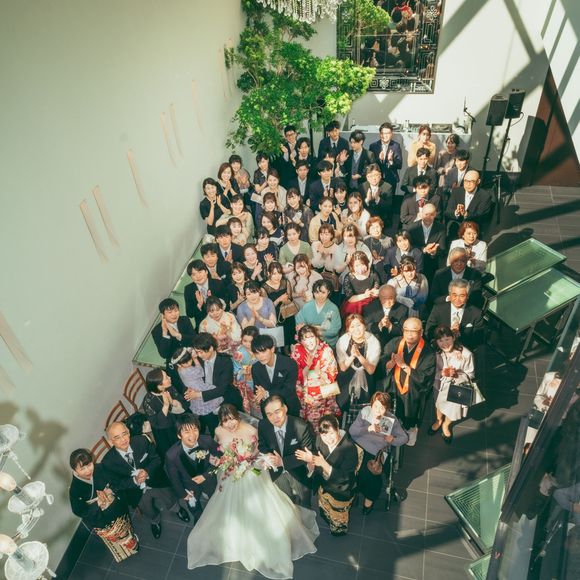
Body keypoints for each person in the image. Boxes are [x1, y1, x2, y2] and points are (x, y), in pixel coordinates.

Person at [187, 403, 319, 578]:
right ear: (221, 422)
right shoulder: (218, 431)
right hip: (230, 472)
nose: (230, 424)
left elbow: (259, 450)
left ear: (238, 417)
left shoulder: (250, 429)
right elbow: (218, 450)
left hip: (251, 470)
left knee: (261, 504)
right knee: (229, 506)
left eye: (232, 419)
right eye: (226, 421)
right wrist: (223, 460)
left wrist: (247, 460)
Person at [102, 422, 189, 539]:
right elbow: (115, 484)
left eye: (124, 434)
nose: (123, 440)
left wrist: (147, 471)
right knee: (147, 509)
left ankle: (177, 509)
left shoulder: (142, 441)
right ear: (110, 441)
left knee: (168, 496)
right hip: (135, 491)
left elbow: (157, 459)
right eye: (117, 438)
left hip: (154, 480)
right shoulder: (108, 462)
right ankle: (155, 521)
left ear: (129, 432)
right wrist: (134, 481)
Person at [295, 414, 361, 536]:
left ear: (338, 429)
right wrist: (310, 461)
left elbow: (345, 477)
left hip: (341, 488)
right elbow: (315, 458)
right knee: (325, 511)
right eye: (324, 435)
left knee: (338, 524)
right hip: (324, 484)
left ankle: (339, 528)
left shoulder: (349, 448)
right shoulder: (319, 440)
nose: (328, 439)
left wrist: (324, 464)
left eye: (331, 433)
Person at [69, 448, 139, 562]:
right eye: (82, 468)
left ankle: (133, 543)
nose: (88, 471)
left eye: (89, 465)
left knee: (126, 529)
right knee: (115, 539)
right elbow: (78, 510)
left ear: (92, 461)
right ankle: (124, 551)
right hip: (100, 518)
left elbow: (117, 481)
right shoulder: (75, 489)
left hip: (117, 508)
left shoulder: (101, 468)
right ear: (75, 470)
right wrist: (97, 503)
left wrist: (111, 489)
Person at [349, 392, 408, 513]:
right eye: (376, 406)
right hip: (358, 446)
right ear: (372, 404)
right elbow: (352, 431)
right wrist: (368, 428)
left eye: (382, 407)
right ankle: (354, 490)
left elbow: (404, 438)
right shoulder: (365, 412)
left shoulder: (391, 419)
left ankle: (369, 498)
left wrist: (393, 439)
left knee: (370, 474)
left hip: (376, 451)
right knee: (349, 467)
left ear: (387, 409)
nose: (378, 410)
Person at [382, 317, 436, 446]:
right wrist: (390, 364)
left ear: (421, 332)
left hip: (413, 391)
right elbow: (382, 361)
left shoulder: (428, 351)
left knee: (410, 415)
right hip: (393, 386)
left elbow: (425, 377)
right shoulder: (394, 343)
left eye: (414, 331)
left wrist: (403, 365)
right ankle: (387, 432)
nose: (410, 334)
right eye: (406, 330)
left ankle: (410, 431)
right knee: (389, 411)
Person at [258, 395, 316, 507]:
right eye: (269, 414)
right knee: (285, 504)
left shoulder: (301, 426)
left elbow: (307, 453)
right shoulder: (263, 425)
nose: (274, 417)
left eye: (277, 412)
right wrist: (268, 455)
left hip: (298, 472)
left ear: (285, 408)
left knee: (304, 505)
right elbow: (262, 445)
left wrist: (283, 462)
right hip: (277, 473)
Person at [164, 413, 221, 521]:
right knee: (194, 507)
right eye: (187, 432)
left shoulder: (207, 441)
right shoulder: (171, 455)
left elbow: (221, 458)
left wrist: (206, 476)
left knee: (216, 500)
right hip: (189, 486)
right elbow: (174, 478)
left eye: (195, 430)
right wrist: (183, 494)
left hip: (209, 480)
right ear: (179, 435)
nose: (192, 435)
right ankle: (199, 520)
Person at [429, 325, 475, 443]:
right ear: (436, 341)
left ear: (453, 338)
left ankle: (446, 424)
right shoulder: (435, 352)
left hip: (456, 388)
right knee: (438, 404)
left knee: (452, 410)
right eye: (440, 340)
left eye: (447, 339)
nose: (445, 344)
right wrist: (442, 373)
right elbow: (429, 371)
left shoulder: (466, 354)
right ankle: (439, 420)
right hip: (439, 386)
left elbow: (471, 374)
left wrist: (456, 375)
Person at [291, 325, 340, 432]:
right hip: (305, 388)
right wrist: (308, 367)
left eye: (311, 337)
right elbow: (294, 373)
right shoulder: (297, 350)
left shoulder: (326, 350)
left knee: (325, 420)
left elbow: (332, 373)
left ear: (316, 337)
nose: (309, 341)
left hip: (324, 387)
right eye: (305, 338)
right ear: (300, 340)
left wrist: (318, 372)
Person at [171, 346, 224, 436]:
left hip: (192, 389)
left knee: (203, 412)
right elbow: (201, 372)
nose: (189, 363)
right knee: (210, 398)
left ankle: (208, 422)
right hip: (198, 389)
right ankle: (214, 419)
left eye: (189, 360)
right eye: (186, 363)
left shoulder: (180, 369)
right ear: (179, 364)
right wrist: (195, 359)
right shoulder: (188, 371)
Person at [336, 314, 381, 414]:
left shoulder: (373, 342)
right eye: (352, 326)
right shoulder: (342, 341)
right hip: (347, 375)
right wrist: (352, 356)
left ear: (365, 326)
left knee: (364, 407)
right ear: (348, 330)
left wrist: (359, 356)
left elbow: (371, 370)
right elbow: (343, 367)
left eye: (359, 325)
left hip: (366, 376)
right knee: (344, 404)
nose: (356, 329)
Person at [426, 279, 484, 351]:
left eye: (462, 296)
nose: (457, 299)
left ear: (467, 296)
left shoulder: (476, 313)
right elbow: (429, 332)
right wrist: (447, 332)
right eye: (454, 295)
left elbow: (478, 339)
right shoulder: (438, 309)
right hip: (440, 350)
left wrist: (460, 335)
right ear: (449, 295)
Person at [151, 298, 196, 392]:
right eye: (170, 312)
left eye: (176, 310)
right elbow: (164, 354)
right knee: (184, 390)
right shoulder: (157, 330)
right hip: (175, 365)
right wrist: (165, 333)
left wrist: (178, 335)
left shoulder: (184, 320)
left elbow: (194, 339)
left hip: (191, 358)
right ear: (163, 315)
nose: (174, 314)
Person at [251, 335, 301, 417]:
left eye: (263, 352)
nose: (260, 356)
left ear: (272, 349)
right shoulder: (256, 368)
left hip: (288, 407)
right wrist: (258, 395)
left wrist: (267, 394)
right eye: (257, 353)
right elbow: (257, 388)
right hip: (268, 410)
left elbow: (289, 389)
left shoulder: (289, 364)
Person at [142, 368, 187, 456]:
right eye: (166, 377)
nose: (170, 377)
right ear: (159, 385)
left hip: (176, 421)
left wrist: (172, 402)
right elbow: (157, 423)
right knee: (172, 450)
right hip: (165, 431)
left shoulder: (169, 388)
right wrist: (166, 405)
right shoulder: (148, 401)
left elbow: (183, 403)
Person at [445, 170, 494, 239]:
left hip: (473, 230)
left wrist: (466, 214)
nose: (468, 184)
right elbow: (447, 211)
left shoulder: (485, 196)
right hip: (456, 229)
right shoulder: (456, 192)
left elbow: (483, 216)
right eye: (465, 181)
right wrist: (456, 212)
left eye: (472, 181)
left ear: (478, 181)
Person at [295, 279, 342, 348]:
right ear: (313, 293)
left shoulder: (333, 308)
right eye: (317, 292)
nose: (320, 296)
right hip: (309, 343)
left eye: (323, 292)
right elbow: (299, 324)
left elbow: (334, 330)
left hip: (328, 344)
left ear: (328, 292)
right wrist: (318, 328)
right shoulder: (307, 306)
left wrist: (311, 328)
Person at [407, 201, 446, 282]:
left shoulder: (441, 228)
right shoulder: (412, 228)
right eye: (426, 214)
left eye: (431, 214)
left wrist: (434, 251)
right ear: (421, 214)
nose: (428, 217)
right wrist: (423, 249)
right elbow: (409, 246)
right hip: (414, 262)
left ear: (435, 215)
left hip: (432, 263)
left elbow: (442, 249)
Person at [184, 260, 225, 329]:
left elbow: (227, 305)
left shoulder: (218, 284)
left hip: (221, 320)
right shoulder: (189, 289)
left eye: (200, 272)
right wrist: (199, 305)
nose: (198, 276)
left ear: (206, 271)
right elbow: (189, 314)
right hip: (203, 324)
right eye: (194, 274)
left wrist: (213, 301)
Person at [232, 326, 262, 418]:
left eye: (251, 341)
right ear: (241, 339)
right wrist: (242, 371)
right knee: (251, 404)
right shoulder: (239, 353)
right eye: (245, 341)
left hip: (260, 377)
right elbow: (235, 371)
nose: (248, 344)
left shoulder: (260, 348)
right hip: (247, 381)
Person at [341, 251, 380, 316]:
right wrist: (365, 295)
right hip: (355, 303)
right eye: (357, 266)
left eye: (362, 264)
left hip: (371, 301)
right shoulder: (349, 277)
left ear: (366, 263)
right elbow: (350, 298)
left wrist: (374, 292)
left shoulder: (373, 273)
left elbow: (376, 288)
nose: (360, 268)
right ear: (352, 266)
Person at [368, 122, 403, 191]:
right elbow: (370, 165)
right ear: (380, 134)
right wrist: (379, 159)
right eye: (383, 133)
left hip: (391, 178)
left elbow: (399, 165)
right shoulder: (373, 146)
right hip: (376, 179)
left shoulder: (396, 146)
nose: (385, 136)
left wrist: (391, 161)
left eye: (387, 133)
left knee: (390, 197)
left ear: (392, 134)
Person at [359, 164, 394, 228]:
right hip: (366, 218)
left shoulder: (388, 187)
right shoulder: (362, 187)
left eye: (376, 175)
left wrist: (378, 199)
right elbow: (359, 206)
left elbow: (388, 206)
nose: (374, 178)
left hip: (381, 218)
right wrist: (367, 200)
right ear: (367, 177)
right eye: (371, 176)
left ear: (380, 176)